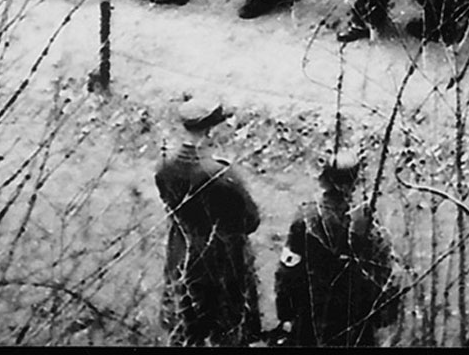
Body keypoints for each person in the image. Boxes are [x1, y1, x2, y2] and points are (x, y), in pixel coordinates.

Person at [155, 95, 262, 348]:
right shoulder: (222, 174)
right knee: (226, 329)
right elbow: (251, 221)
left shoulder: (164, 166)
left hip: (180, 252)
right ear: (211, 129)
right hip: (220, 261)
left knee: (185, 328)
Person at [274, 148, 403, 347]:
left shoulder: (306, 217)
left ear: (324, 178)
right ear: (355, 181)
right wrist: (383, 317)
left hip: (312, 316)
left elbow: (287, 271)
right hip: (356, 319)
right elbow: (385, 273)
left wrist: (285, 313)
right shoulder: (367, 221)